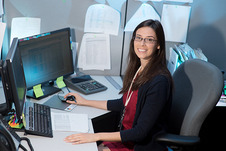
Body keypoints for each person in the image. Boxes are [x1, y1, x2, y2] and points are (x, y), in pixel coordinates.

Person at [64, 19, 173, 151]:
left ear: (158, 45)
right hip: (127, 139)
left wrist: (96, 136)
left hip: (140, 146)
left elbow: (140, 132)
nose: (142, 44)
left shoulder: (159, 82)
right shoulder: (140, 69)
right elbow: (124, 103)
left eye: (149, 39)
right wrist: (85, 102)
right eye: (138, 38)